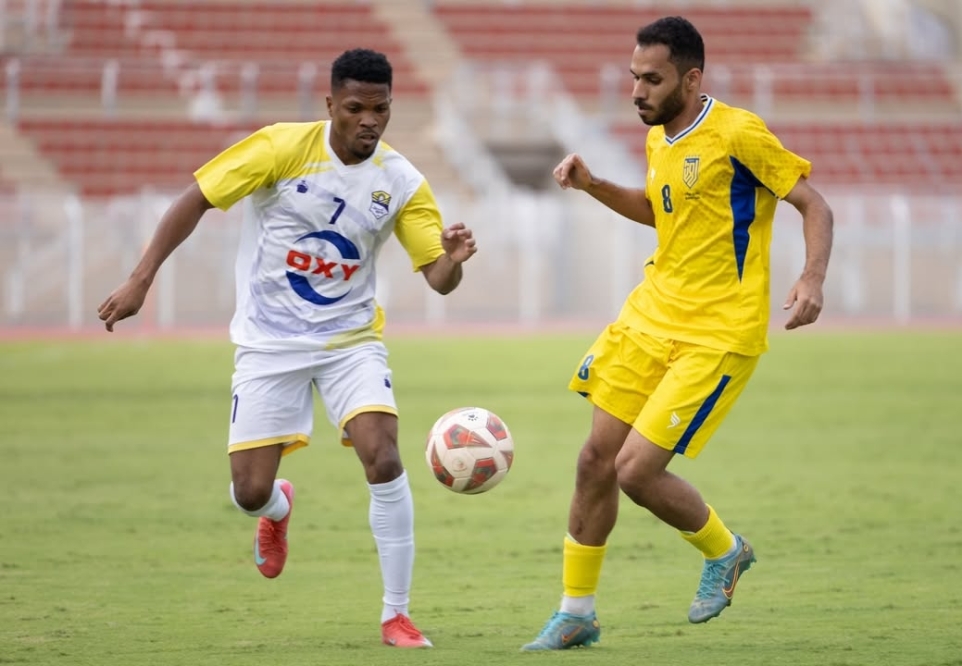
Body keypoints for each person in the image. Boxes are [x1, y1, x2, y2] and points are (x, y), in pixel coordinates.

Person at [98, 48, 477, 649]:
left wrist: (452, 263)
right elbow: (195, 198)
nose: (368, 122)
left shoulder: (402, 181)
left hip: (350, 342)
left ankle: (396, 615)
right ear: (330, 105)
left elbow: (436, 274)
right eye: (355, 108)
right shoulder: (279, 148)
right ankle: (277, 511)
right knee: (248, 491)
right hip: (268, 344)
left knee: (382, 455)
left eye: (380, 110)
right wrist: (142, 278)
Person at [522, 16, 833, 650]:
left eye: (652, 79)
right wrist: (593, 186)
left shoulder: (738, 132)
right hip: (650, 315)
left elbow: (814, 204)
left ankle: (725, 551)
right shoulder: (661, 136)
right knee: (593, 462)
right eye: (634, 77)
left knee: (636, 471)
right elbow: (661, 214)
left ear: (691, 79)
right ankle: (576, 612)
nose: (637, 91)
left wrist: (811, 279)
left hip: (718, 332)